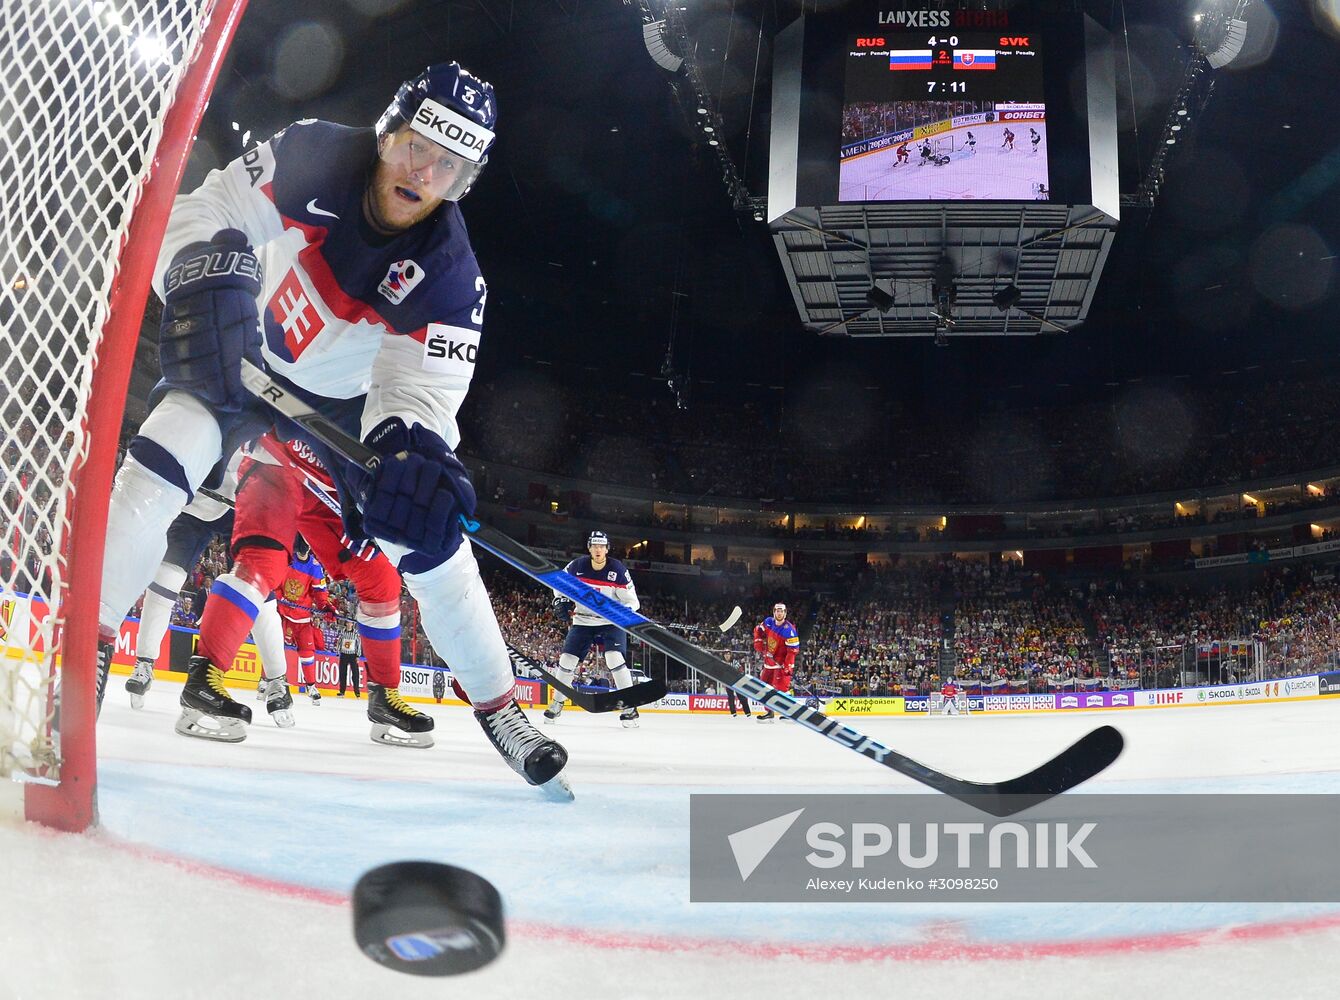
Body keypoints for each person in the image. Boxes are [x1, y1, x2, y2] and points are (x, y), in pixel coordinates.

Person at [94, 62, 568, 793]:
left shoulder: (451, 276)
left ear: (464, 179)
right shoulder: (316, 152)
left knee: (427, 536)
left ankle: (502, 710)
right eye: (416, 144)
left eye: (449, 163)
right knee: (164, 454)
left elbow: (421, 392)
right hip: (246, 350)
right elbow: (212, 203)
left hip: (346, 406)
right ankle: (85, 645)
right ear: (388, 133)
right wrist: (198, 272)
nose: (424, 171)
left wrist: (409, 445)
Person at [192, 428, 434, 748]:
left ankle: (384, 696)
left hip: (332, 486)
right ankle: (203, 679)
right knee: (262, 562)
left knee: (381, 578)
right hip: (275, 461)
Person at [125, 454, 291, 726]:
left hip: (242, 506)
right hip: (194, 506)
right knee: (165, 577)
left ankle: (277, 679)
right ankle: (144, 662)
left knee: (258, 586)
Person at [543, 531, 642, 728]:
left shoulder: (618, 570)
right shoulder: (577, 566)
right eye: (594, 545)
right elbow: (558, 582)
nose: (598, 549)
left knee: (614, 658)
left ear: (607, 549)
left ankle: (630, 706)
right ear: (589, 548)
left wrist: (622, 612)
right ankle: (556, 703)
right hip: (583, 620)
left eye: (601, 546)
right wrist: (559, 599)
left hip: (609, 622)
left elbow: (633, 602)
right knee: (567, 660)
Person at [277, 534, 334, 705]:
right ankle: (266, 679)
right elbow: (275, 582)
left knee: (307, 652)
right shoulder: (287, 559)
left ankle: (311, 686)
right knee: (274, 645)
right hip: (282, 613)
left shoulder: (315, 567)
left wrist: (325, 607)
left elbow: (320, 592)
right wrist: (281, 598)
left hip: (302, 618)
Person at [752, 602, 799, 722]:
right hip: (769, 662)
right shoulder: (768, 622)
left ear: (785, 613)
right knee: (763, 688)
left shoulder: (790, 630)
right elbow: (758, 629)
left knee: (781, 689)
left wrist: (788, 665)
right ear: (774, 612)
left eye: (782, 611)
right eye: (777, 610)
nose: (779, 613)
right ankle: (769, 713)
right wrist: (758, 640)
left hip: (782, 664)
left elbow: (793, 651)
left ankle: (791, 713)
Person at [337, 617, 362, 698]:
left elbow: (358, 644)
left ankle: (357, 691)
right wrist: (338, 651)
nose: (348, 624)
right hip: (344, 654)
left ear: (352, 624)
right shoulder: (342, 632)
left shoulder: (355, 633)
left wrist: (358, 655)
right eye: (347, 622)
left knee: (355, 674)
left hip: (353, 655)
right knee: (342, 673)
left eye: (350, 623)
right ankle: (342, 691)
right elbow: (339, 642)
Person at [723, 650, 752, 718]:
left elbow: (741, 670)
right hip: (728, 682)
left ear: (730, 655)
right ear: (724, 655)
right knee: (730, 697)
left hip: (736, 681)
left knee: (741, 697)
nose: (727, 655)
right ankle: (733, 712)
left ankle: (747, 712)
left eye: (728, 654)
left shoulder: (734, 662)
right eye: (726, 654)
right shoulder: (722, 663)